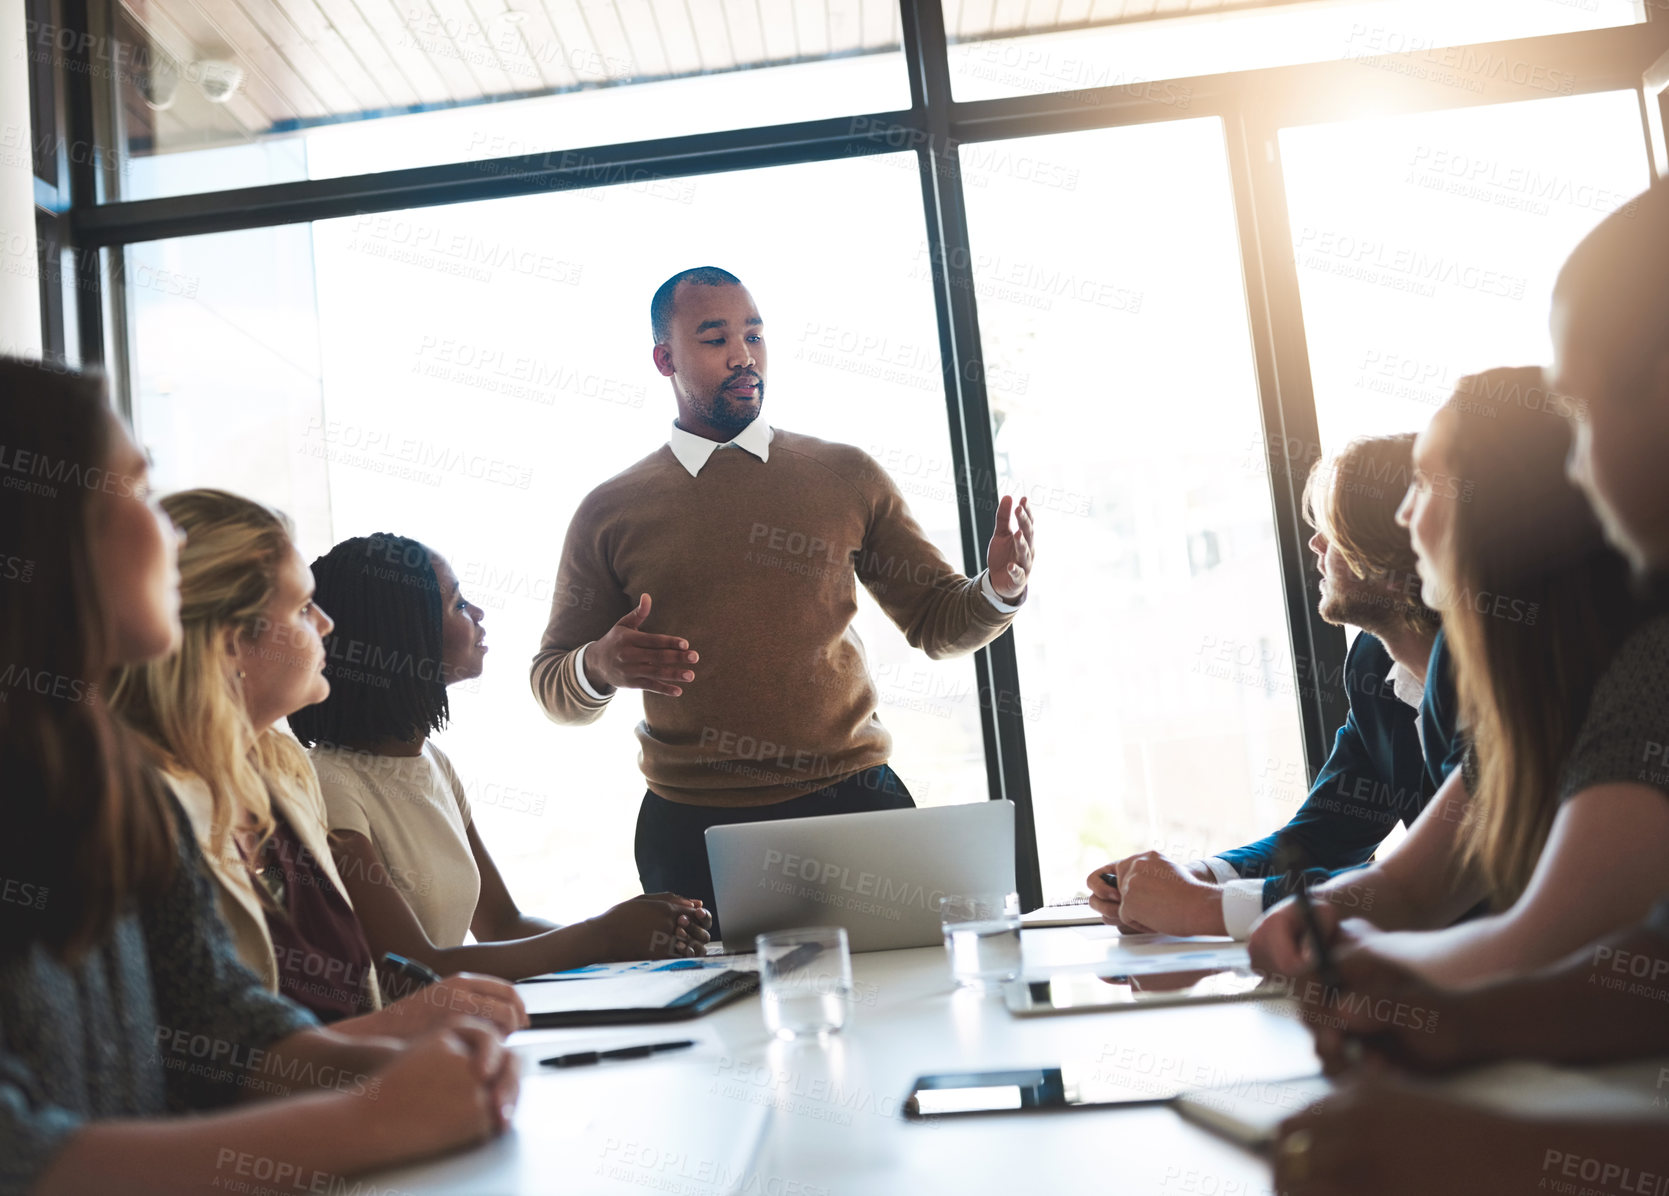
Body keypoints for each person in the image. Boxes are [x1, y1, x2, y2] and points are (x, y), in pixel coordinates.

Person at [0, 358, 516, 1195]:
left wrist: (411, 1068)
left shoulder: (111, 783)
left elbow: (220, 1021)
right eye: (137, 492)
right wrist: (376, 1113)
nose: (170, 535)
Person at [1268, 182, 1669, 1195]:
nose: (1578, 464)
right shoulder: (1523, 694)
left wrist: (1513, 1154)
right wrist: (1433, 1005)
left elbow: (1559, 941)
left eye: (1581, 410)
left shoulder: (1647, 673)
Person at [529, 266, 1037, 927]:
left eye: (754, 334)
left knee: (906, 1009)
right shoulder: (609, 510)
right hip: (692, 832)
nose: (743, 356)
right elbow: (551, 683)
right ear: (664, 358)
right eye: (714, 339)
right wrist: (598, 664)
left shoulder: (845, 475)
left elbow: (938, 622)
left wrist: (998, 588)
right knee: (720, 1022)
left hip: (855, 806)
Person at [1250, 366, 1662, 987]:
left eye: (1423, 482)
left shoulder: (1640, 668)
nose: (1405, 515)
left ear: (1495, 506)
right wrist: (1321, 920)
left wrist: (1381, 987)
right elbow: (1411, 889)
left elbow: (1538, 948)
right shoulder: (1523, 682)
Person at [108, 490, 525, 1034]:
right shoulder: (154, 813)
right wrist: (406, 1038)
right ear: (234, 643)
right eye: (304, 607)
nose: (327, 625)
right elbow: (234, 1053)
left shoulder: (285, 771)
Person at [289, 533, 709, 980]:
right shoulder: (329, 786)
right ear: (400, 635)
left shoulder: (432, 762)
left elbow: (503, 927)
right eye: (458, 604)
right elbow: (414, 970)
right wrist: (602, 936)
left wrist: (629, 942)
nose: (477, 614)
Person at [1086, 435, 1447, 938]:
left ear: (1390, 551)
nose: (1315, 544)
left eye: (1332, 528)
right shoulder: (1371, 665)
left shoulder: (1498, 681)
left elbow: (1429, 888)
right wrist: (1199, 878)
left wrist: (1201, 908)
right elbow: (1326, 833)